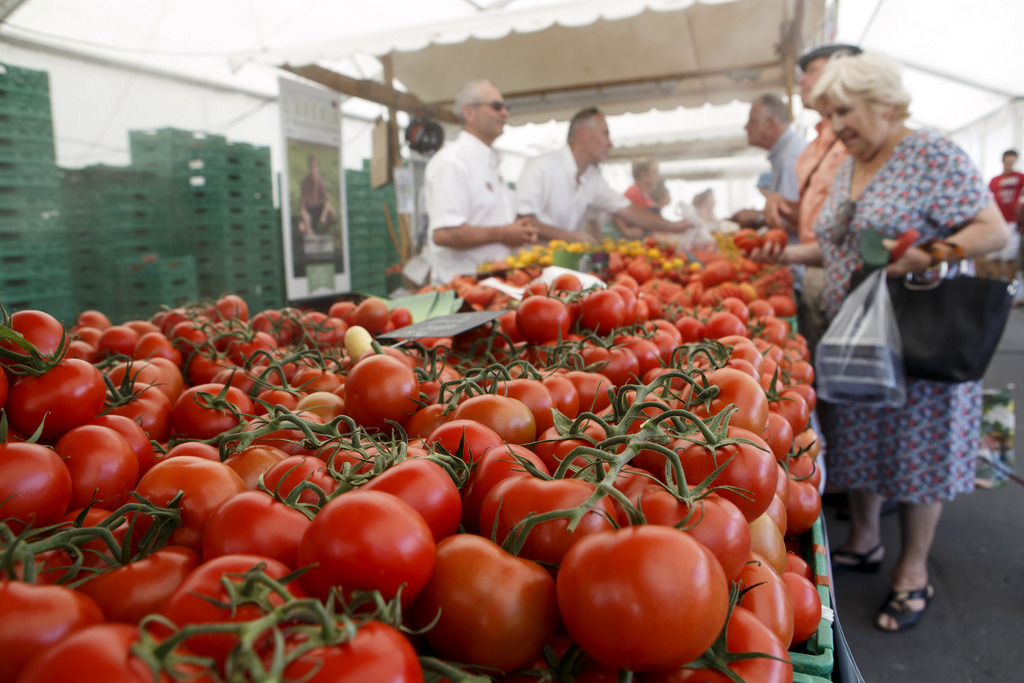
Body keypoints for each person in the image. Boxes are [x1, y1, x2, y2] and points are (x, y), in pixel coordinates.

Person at [754, 52, 1008, 633]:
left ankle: (912, 571)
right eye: (828, 113)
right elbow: (841, 247)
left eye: (843, 111)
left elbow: (991, 229)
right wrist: (783, 252)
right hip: (858, 337)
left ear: (884, 104)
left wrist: (932, 254)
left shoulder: (930, 153)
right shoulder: (850, 164)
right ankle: (865, 540)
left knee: (920, 448)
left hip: (917, 333)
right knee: (860, 435)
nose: (835, 124)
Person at [764, 43, 862, 350]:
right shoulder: (816, 144)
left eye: (811, 71)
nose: (803, 81)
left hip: (850, 276)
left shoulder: (859, 142)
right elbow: (820, 217)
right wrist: (783, 205)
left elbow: (858, 226)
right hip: (816, 267)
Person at [516, 107, 695, 242]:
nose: (610, 144)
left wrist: (674, 226)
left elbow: (626, 209)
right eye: (605, 134)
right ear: (582, 134)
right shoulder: (541, 167)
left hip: (564, 266)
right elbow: (524, 221)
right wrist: (569, 237)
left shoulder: (592, 177)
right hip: (530, 266)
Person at [422, 80, 538, 284]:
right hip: (464, 292)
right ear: (469, 113)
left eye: (506, 107)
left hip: (495, 284)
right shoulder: (453, 161)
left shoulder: (489, 161)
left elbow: (488, 221)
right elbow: (445, 234)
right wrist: (504, 233)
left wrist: (517, 231)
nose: (504, 112)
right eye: (496, 106)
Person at [731, 94, 808, 228]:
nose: (746, 128)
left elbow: (795, 216)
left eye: (752, 121)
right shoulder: (787, 153)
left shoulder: (789, 158)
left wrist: (757, 216)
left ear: (771, 123)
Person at [984, 149, 1024, 285]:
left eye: (1013, 162)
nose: (1010, 164)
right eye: (1008, 161)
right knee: (995, 255)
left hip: (1012, 222)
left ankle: (1008, 287)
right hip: (996, 221)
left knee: (1010, 257)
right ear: (1003, 161)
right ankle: (996, 285)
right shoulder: (994, 181)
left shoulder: (1020, 177)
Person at [298, 155, 337, 236]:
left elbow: (327, 200)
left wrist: (323, 215)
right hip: (309, 211)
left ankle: (324, 231)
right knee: (301, 227)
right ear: (309, 167)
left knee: (332, 211)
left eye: (315, 166)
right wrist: (308, 227)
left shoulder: (320, 180)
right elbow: (302, 208)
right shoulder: (305, 182)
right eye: (311, 166)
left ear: (317, 167)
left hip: (318, 209)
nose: (313, 169)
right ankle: (312, 234)